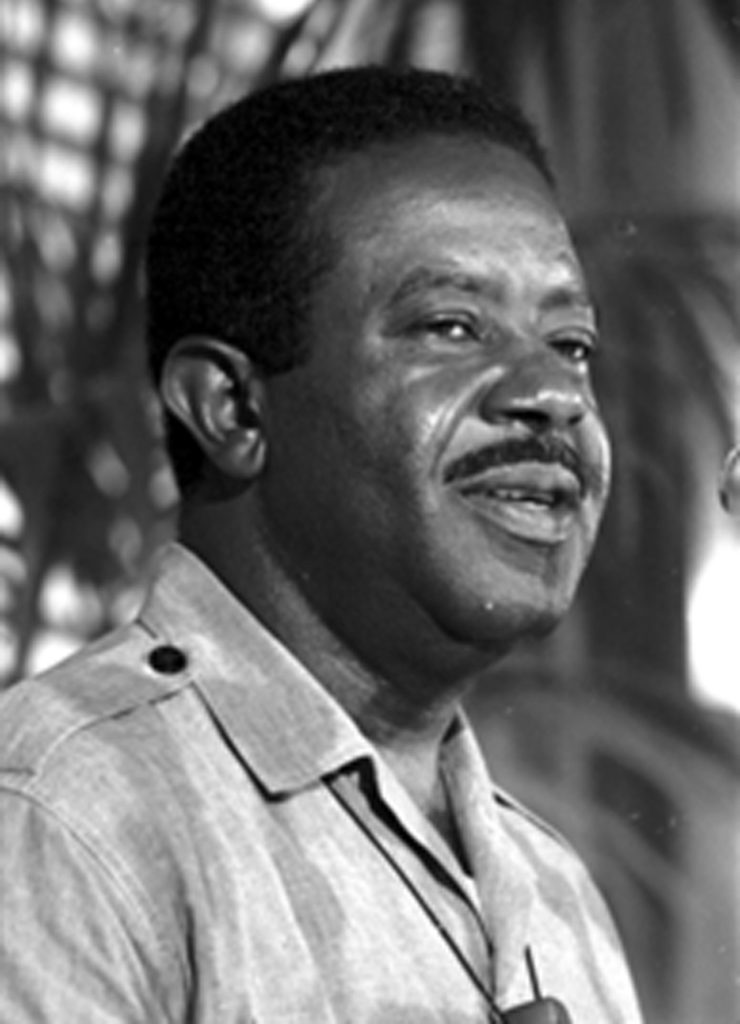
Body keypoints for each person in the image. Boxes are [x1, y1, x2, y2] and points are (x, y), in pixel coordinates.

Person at [0, 66, 642, 1023]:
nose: (553, 393)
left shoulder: (559, 896)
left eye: (572, 342)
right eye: (451, 326)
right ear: (232, 408)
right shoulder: (68, 816)